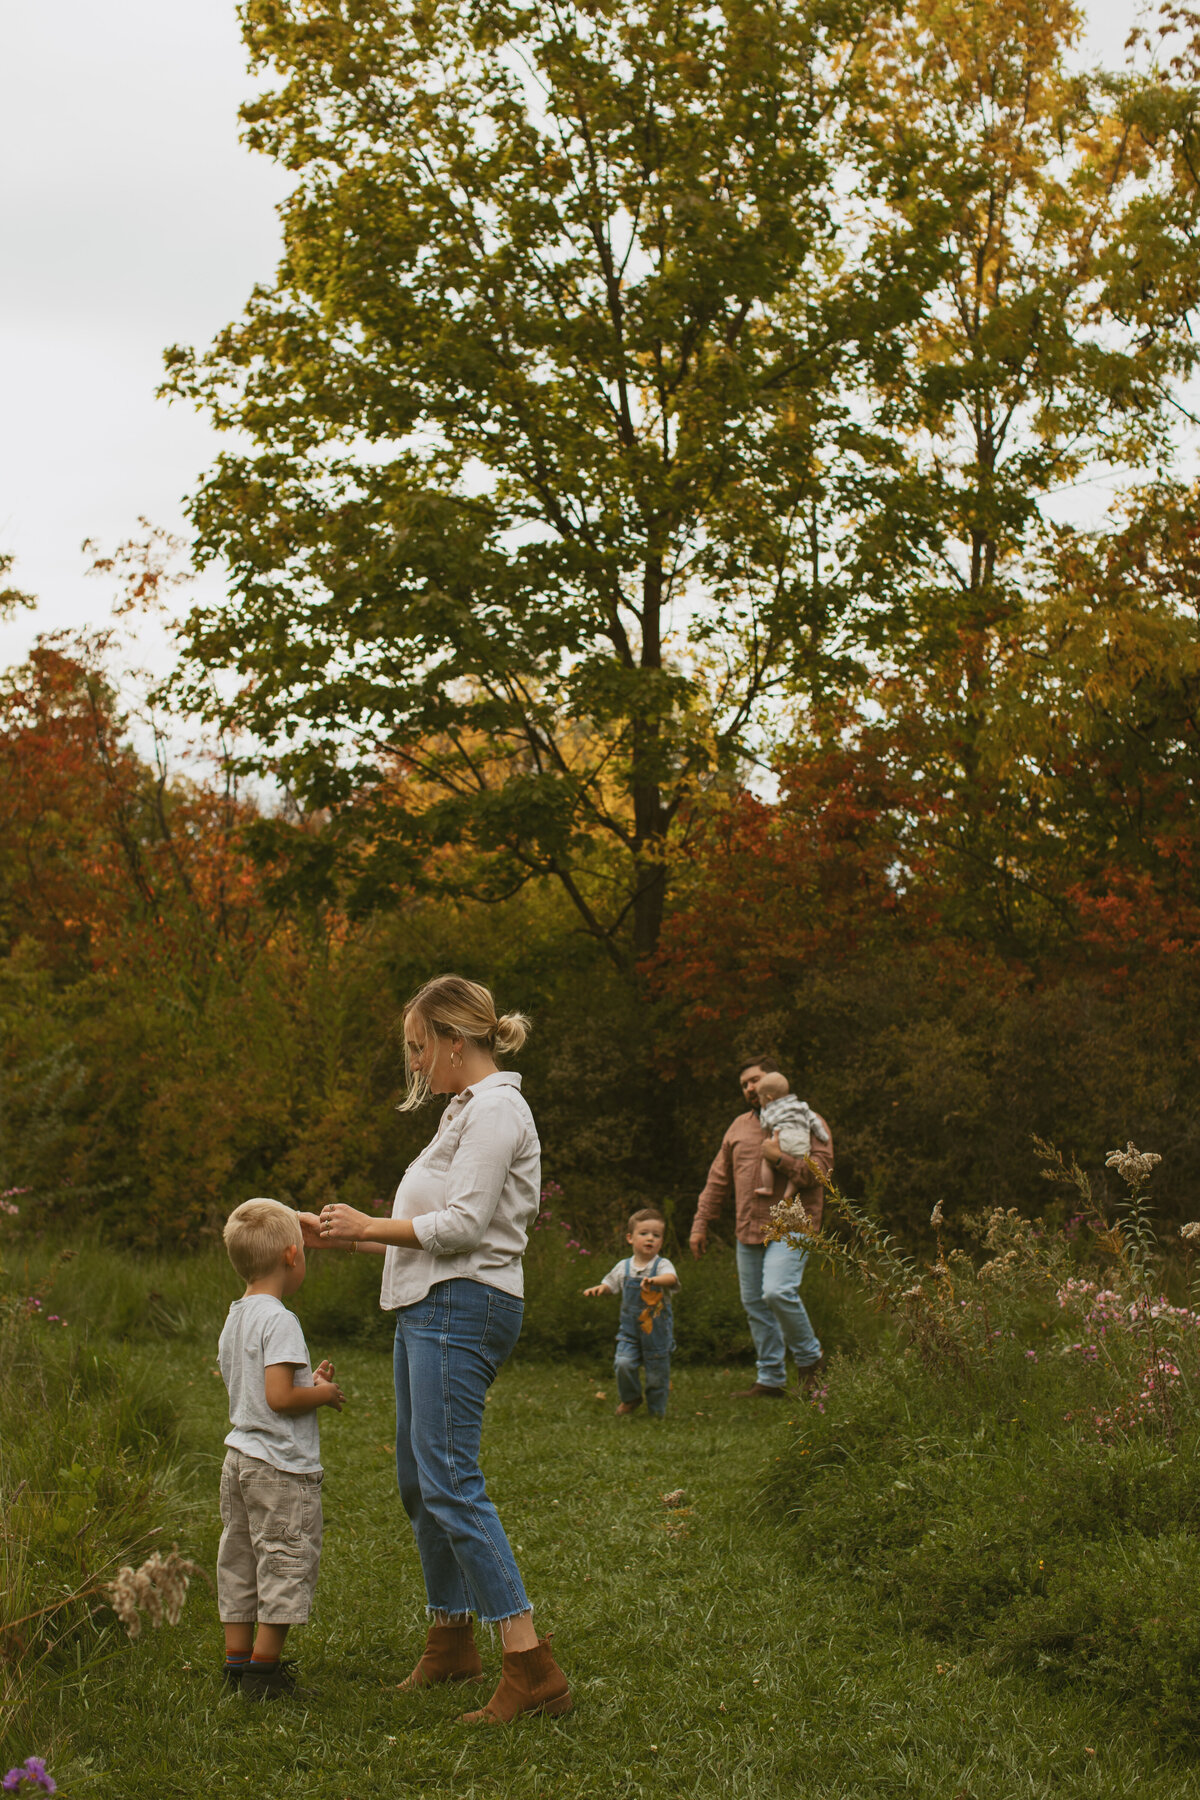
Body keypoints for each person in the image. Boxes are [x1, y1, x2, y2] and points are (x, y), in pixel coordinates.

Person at [306, 974, 572, 1724]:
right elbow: (425, 1232)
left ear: (457, 1040)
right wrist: (333, 1231)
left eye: (422, 1048)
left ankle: (530, 1664)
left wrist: (366, 1224)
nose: (417, 1065)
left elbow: (460, 1228)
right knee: (419, 1481)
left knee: (451, 1478)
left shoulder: (496, 1110)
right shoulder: (463, 1109)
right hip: (431, 1301)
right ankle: (453, 1637)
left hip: (463, 1304)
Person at [217, 1197, 345, 1700]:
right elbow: (280, 1398)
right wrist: (322, 1394)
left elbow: (258, 1389)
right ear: (292, 1256)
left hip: (240, 1461)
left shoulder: (237, 1316)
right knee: (284, 1560)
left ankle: (236, 1664)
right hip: (279, 1469)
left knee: (241, 1559)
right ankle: (263, 1675)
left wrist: (303, 1381)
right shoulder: (281, 1319)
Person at [690, 1056, 832, 1399]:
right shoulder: (738, 1127)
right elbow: (717, 1179)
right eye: (744, 1084)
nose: (750, 1087)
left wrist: (779, 1158)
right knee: (755, 1302)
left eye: (755, 1079)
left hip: (793, 1224)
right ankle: (770, 1380)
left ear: (775, 1079)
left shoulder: (805, 1117)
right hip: (749, 1227)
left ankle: (812, 1362)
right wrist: (700, 1223)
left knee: (777, 1292)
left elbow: (823, 1174)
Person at [583, 1207, 680, 1418]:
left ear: (661, 1241)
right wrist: (601, 1289)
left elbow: (671, 1279)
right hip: (630, 1332)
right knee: (623, 1364)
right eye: (644, 1234)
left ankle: (656, 1412)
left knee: (656, 1375)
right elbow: (610, 1284)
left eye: (656, 1235)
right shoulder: (623, 1267)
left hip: (657, 1333)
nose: (650, 1239)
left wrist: (655, 1281)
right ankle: (631, 1398)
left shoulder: (662, 1265)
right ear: (630, 1238)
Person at [752, 1072, 830, 1198]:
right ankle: (788, 1193)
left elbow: (765, 1125)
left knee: (766, 1161)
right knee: (799, 1167)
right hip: (802, 1141)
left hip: (783, 1139)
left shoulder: (770, 1109)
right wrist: (823, 1136)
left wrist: (763, 1113)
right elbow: (814, 1120)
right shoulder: (801, 1105)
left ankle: (768, 1187)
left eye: (761, 1098)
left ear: (769, 1098)